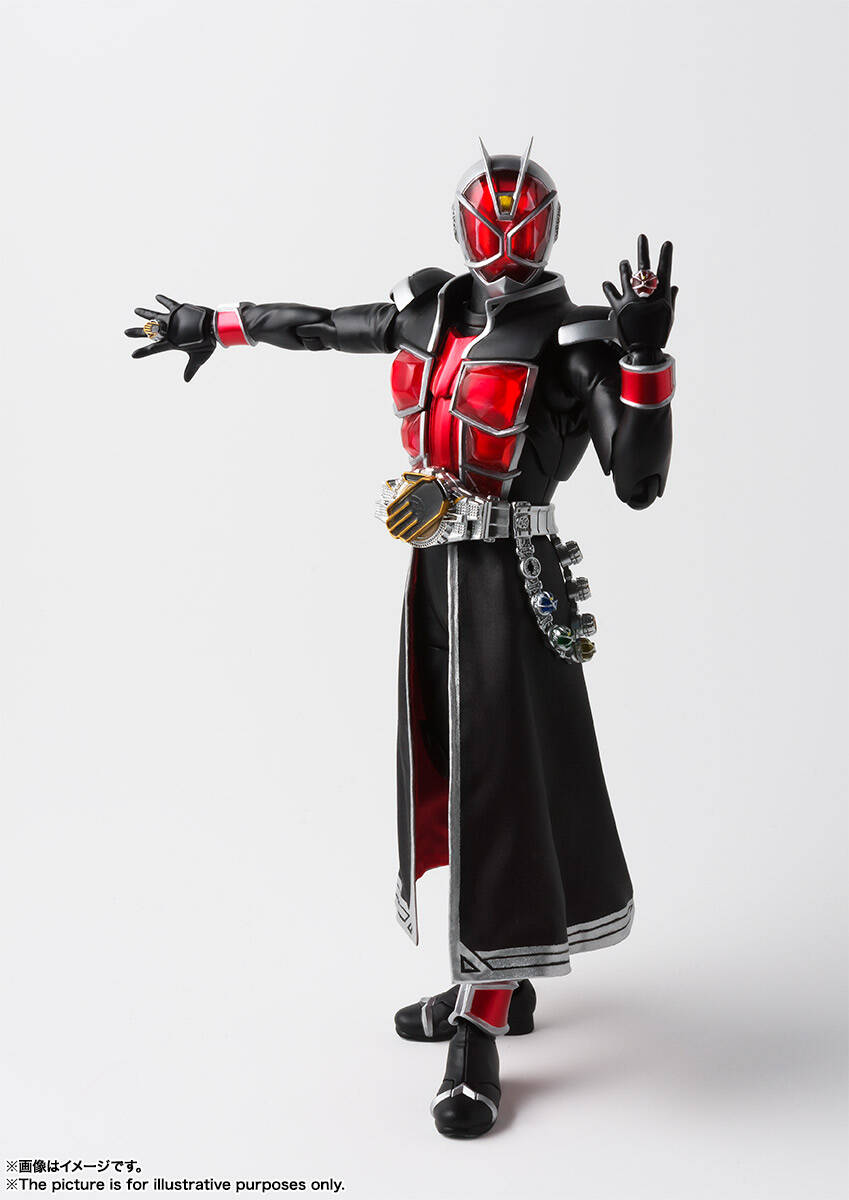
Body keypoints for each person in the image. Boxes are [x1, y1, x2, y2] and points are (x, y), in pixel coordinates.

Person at [126, 140, 677, 1138]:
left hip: (513, 581)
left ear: (548, 226)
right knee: (452, 776)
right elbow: (324, 326)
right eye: (487, 216)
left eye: (520, 218)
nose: (503, 235)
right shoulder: (431, 305)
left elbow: (638, 482)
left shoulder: (571, 337)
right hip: (434, 572)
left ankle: (478, 1020)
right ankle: (498, 980)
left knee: (501, 785)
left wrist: (641, 361)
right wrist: (217, 323)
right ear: (461, 223)